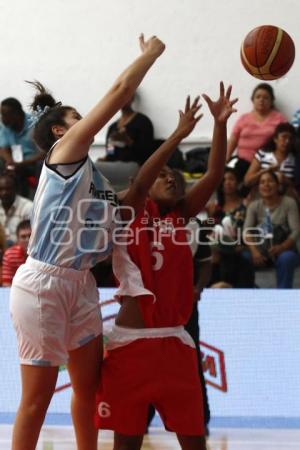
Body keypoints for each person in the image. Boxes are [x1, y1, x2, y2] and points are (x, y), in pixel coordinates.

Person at [9, 34, 166, 450]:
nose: (90, 118)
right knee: (37, 399)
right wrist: (149, 54)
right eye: (80, 115)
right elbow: (119, 93)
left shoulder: (94, 179)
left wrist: (176, 137)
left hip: (80, 283)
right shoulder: (65, 152)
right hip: (43, 281)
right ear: (61, 129)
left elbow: (132, 200)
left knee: (88, 388)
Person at [95, 82, 238, 450]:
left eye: (175, 175)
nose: (171, 176)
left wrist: (220, 125)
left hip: (175, 342)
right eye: (164, 175)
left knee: (194, 440)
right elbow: (144, 177)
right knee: (125, 442)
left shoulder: (182, 216)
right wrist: (177, 134)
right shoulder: (130, 210)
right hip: (131, 346)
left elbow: (213, 173)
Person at [243, 171, 300, 288]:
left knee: (286, 258)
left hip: (285, 250)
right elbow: (246, 231)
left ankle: (283, 297)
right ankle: (248, 295)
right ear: (258, 187)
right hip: (261, 251)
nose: (266, 185)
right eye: (262, 182)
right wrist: (254, 251)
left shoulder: (289, 203)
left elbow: (296, 231)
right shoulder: (254, 205)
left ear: (278, 185)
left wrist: (282, 247)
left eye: (270, 181)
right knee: (243, 257)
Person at [226, 83, 286, 181]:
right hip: (242, 162)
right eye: (258, 97)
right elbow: (233, 139)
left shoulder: (279, 118)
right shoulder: (243, 118)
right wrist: (226, 159)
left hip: (267, 164)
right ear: (253, 100)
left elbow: (286, 139)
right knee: (227, 178)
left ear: (271, 101)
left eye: (266, 98)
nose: (261, 100)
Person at [206, 168, 255, 288]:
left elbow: (251, 228)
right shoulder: (215, 207)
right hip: (220, 247)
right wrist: (210, 216)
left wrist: (243, 246)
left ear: (238, 182)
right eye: (224, 180)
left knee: (243, 259)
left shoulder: (247, 204)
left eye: (231, 179)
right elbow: (211, 231)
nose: (227, 182)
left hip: (242, 246)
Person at [0, 97, 45, 196]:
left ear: (17, 114)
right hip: (17, 164)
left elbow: (44, 153)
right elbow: (2, 148)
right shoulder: (6, 126)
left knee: (40, 165)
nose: (2, 118)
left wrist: (22, 163)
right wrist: (10, 161)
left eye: (5, 115)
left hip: (33, 163)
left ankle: (39, 200)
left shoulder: (35, 124)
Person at [244, 123, 296, 191]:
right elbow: (247, 181)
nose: (287, 141)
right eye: (284, 137)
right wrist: (266, 171)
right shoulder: (262, 154)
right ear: (275, 139)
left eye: (290, 139)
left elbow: (296, 188)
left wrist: (284, 179)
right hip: (261, 195)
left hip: (284, 197)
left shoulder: (295, 159)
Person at [105, 92, 154, 164]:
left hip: (135, 166)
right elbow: (110, 153)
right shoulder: (112, 127)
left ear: (132, 98)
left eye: (126, 95)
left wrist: (128, 141)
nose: (122, 99)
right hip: (115, 166)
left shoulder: (143, 122)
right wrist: (111, 143)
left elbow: (146, 153)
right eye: (119, 97)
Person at [0, 172, 33, 245]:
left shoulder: (28, 207)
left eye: (8, 189)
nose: (4, 193)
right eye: (1, 189)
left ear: (16, 189)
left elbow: (30, 238)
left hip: (21, 250)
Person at [2, 219, 31, 286]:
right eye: (23, 237)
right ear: (17, 240)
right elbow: (7, 285)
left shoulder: (44, 255)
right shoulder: (10, 255)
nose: (27, 240)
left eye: (30, 235)